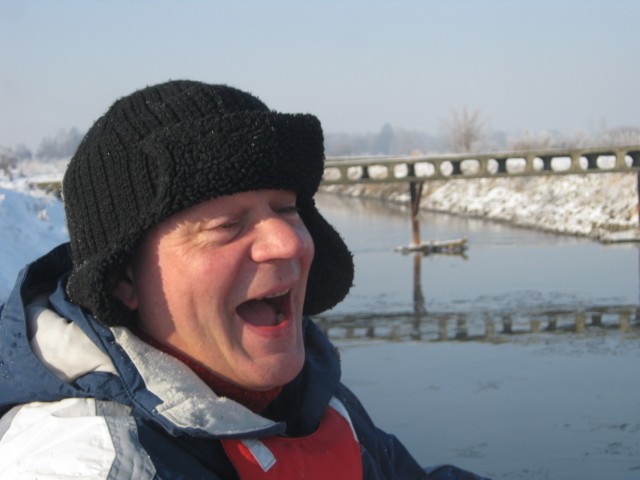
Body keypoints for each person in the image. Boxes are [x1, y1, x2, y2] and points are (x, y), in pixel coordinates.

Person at [0, 80, 489, 479]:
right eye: (227, 224)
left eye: (287, 209)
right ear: (124, 280)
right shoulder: (88, 463)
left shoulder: (311, 397)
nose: (289, 242)